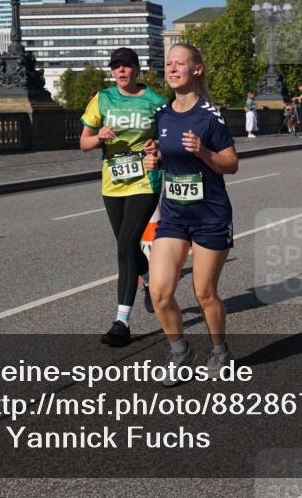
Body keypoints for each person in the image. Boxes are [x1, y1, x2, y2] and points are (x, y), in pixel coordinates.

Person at [145, 43, 239, 383]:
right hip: (173, 216)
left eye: (179, 64)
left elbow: (231, 164)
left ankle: (220, 351)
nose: (172, 69)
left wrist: (204, 153)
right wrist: (154, 159)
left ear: (196, 70)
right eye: (168, 64)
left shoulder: (210, 116)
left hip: (210, 217)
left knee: (204, 293)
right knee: (159, 292)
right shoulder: (162, 114)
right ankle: (180, 352)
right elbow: (165, 154)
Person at [80, 48, 166, 347]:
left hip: (145, 180)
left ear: (137, 69)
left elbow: (169, 138)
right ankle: (148, 280)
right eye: (116, 66)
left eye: (126, 66)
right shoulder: (102, 98)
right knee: (126, 244)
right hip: (113, 182)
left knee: (126, 245)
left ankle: (122, 323)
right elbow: (84, 143)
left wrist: (158, 148)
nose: (121, 71)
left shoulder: (155, 101)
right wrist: (99, 136)